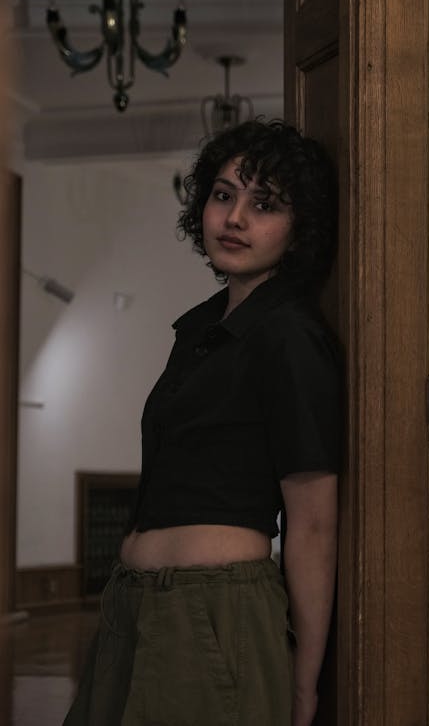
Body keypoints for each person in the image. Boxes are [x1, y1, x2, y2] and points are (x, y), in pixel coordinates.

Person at [63, 119, 340, 726]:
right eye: (223, 195)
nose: (235, 217)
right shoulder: (201, 329)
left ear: (299, 229)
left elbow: (314, 524)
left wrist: (304, 685)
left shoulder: (289, 335)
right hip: (131, 607)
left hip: (215, 610)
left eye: (263, 204)